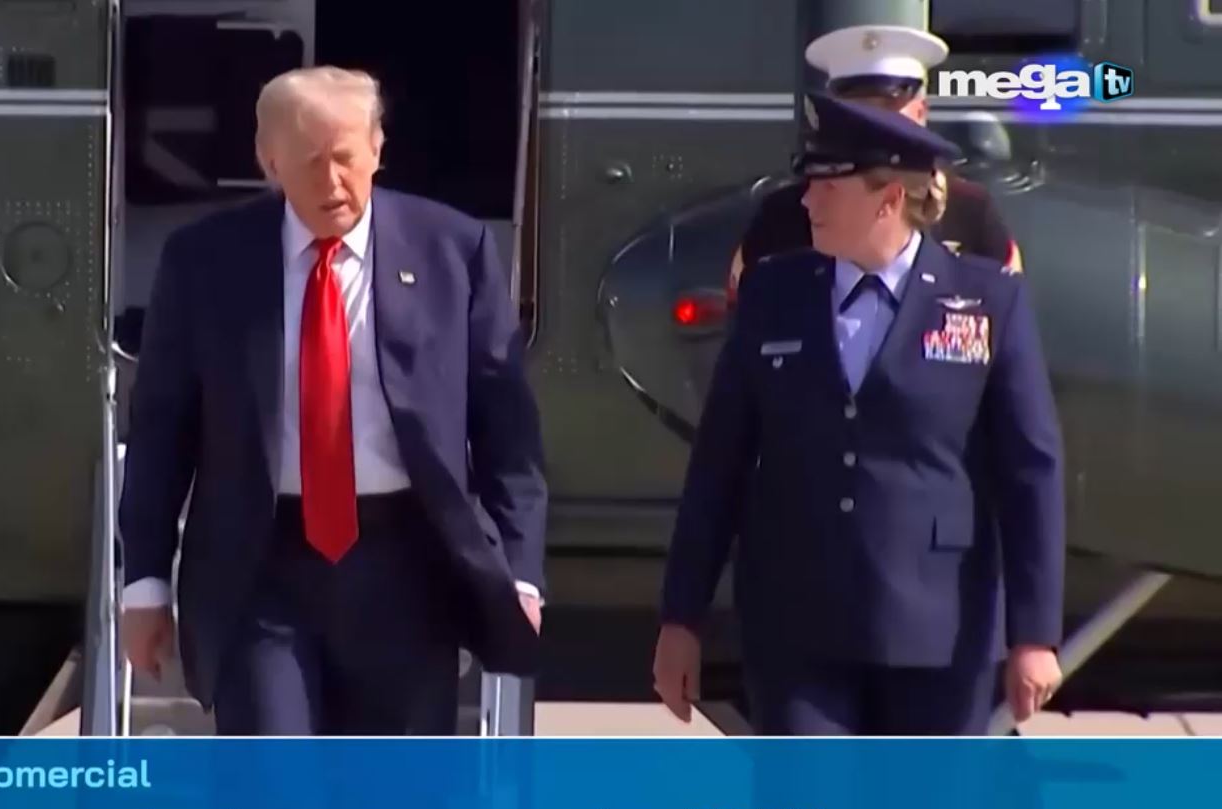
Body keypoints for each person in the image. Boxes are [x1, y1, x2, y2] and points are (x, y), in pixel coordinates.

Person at [117, 65, 547, 736]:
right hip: (261, 567)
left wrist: (519, 571)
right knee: (272, 782)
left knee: (396, 791)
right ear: (269, 161)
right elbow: (161, 429)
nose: (333, 181)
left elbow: (505, 428)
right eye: (310, 161)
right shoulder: (205, 261)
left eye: (346, 157)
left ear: (377, 148)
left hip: (405, 566)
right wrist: (144, 583)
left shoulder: (451, 251)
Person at [652, 91, 1064, 736]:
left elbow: (1030, 469)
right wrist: (682, 618)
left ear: (887, 198)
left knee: (919, 807)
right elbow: (718, 464)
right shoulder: (774, 294)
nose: (807, 202)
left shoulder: (986, 301)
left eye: (827, 187)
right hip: (799, 631)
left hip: (939, 634)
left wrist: (1034, 633)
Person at [727, 24, 1022, 300]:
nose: (873, 128)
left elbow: (1002, 311)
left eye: (888, 111)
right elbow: (748, 318)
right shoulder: (784, 215)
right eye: (858, 115)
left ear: (921, 112)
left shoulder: (970, 211)